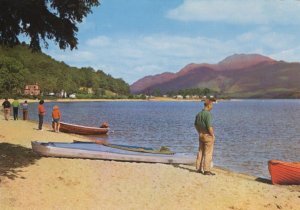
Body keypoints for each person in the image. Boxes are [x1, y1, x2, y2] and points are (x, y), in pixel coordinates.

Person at [194, 98, 216, 176]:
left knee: (200, 151)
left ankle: (198, 169)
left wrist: (199, 132)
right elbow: (209, 127)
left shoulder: (199, 114)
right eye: (212, 105)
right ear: (209, 105)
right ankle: (206, 170)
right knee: (208, 153)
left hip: (201, 135)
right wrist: (213, 135)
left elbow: (195, 125)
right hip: (207, 136)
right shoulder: (208, 114)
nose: (212, 107)